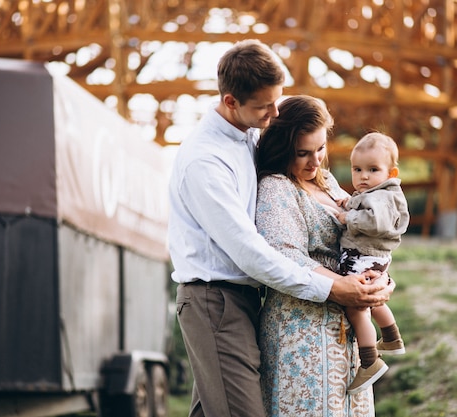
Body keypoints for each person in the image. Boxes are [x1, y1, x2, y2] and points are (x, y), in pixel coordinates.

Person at [168, 39, 394, 417]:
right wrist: (335, 287)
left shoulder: (251, 135)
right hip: (214, 299)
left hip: (244, 299)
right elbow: (251, 252)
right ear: (230, 102)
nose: (275, 113)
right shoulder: (205, 161)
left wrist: (378, 279)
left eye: (278, 100)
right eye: (265, 106)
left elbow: (363, 234)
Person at [255, 95, 382, 416]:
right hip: (303, 332)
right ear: (283, 148)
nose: (315, 161)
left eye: (320, 149)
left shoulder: (327, 182)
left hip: (348, 334)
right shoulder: (276, 187)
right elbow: (283, 256)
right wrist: (345, 285)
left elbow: (365, 238)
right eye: (303, 153)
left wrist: (379, 282)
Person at [335, 132, 410, 394]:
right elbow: (366, 204)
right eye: (357, 169)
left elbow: (375, 221)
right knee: (373, 301)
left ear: (391, 172)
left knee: (357, 308)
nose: (363, 176)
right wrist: (351, 202)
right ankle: (391, 337)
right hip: (375, 258)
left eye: (372, 169)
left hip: (362, 256)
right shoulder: (385, 192)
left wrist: (348, 219)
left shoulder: (380, 197)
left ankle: (369, 360)